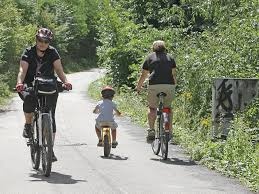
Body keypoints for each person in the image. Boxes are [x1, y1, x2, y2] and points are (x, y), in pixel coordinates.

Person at [16, 27, 72, 162]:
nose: (42, 43)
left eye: (46, 41)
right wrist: (20, 83)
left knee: (51, 117)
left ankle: (50, 149)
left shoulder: (53, 52)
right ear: (36, 39)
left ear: (49, 42)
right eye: (40, 40)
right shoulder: (28, 52)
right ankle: (28, 125)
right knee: (29, 99)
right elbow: (22, 70)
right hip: (30, 85)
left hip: (48, 86)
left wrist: (65, 82)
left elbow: (59, 70)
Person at [136, 40, 177, 141]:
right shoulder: (170, 57)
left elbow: (144, 74)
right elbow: (173, 74)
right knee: (167, 107)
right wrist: (174, 85)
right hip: (169, 85)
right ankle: (169, 130)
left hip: (154, 85)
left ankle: (151, 130)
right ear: (164, 47)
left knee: (152, 108)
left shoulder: (150, 57)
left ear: (153, 48)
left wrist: (138, 87)